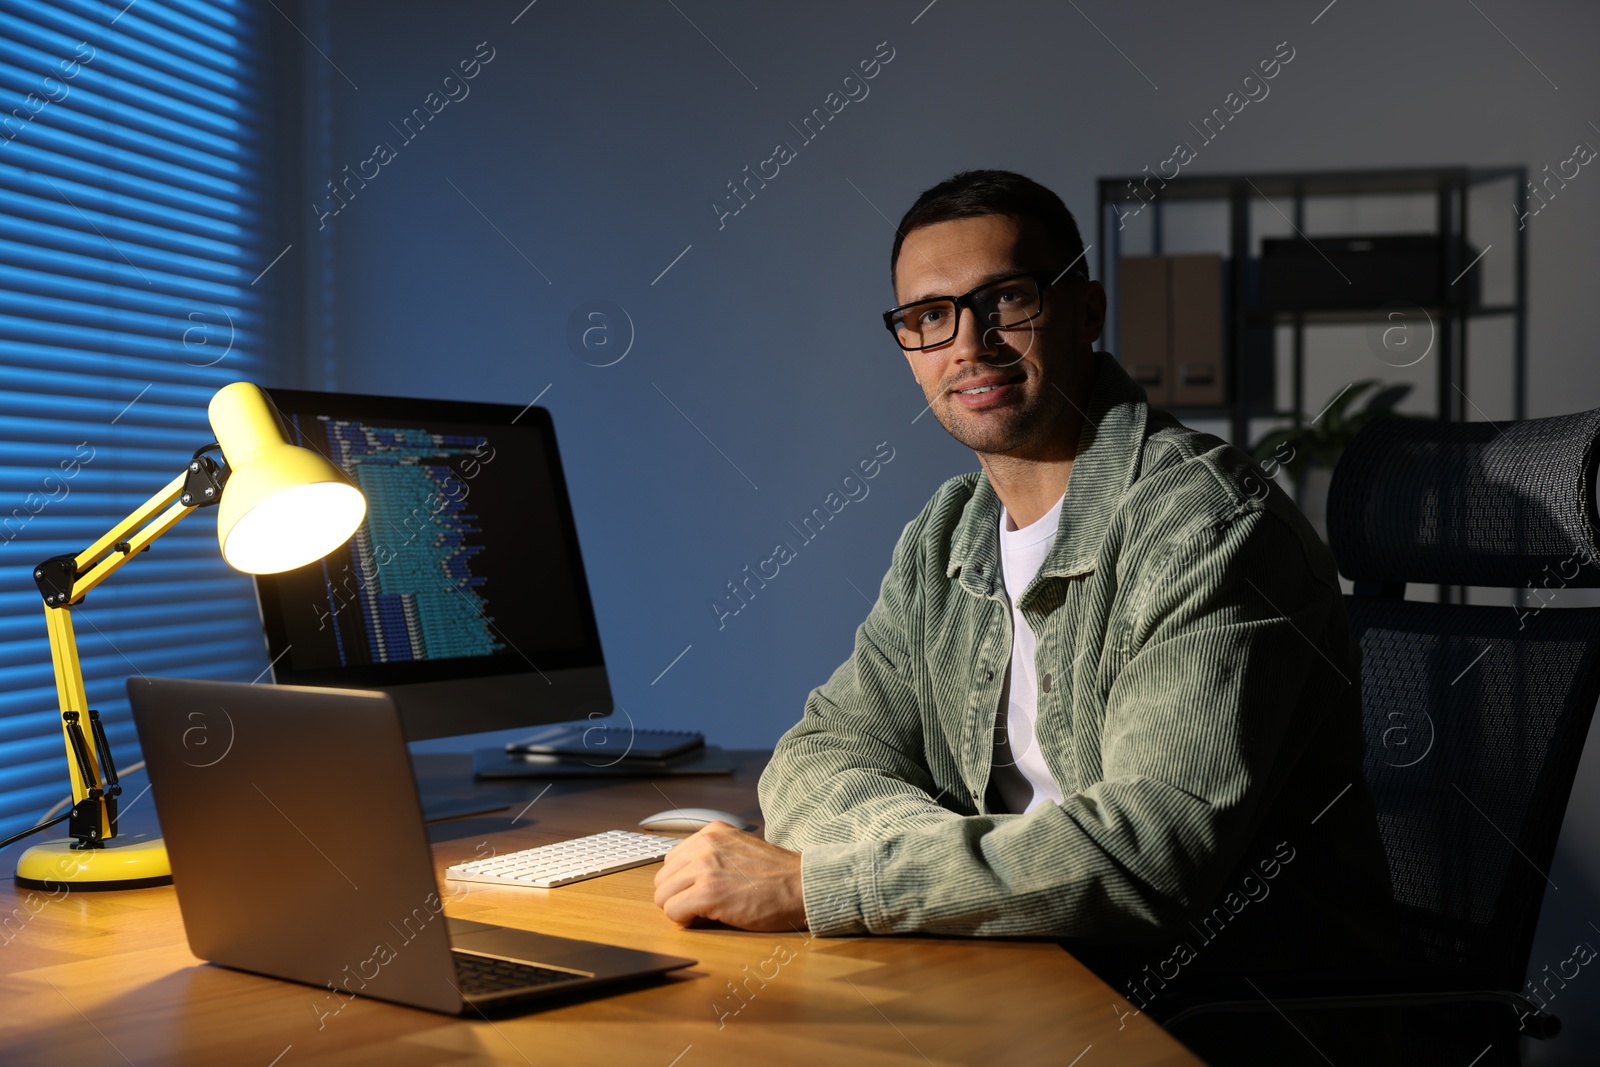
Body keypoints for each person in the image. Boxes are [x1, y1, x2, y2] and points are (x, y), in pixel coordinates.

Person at [653, 169, 1393, 1021]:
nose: (968, 344)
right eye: (930, 317)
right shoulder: (948, 533)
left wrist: (830, 880)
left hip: (1217, 1010)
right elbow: (815, 758)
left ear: (1086, 311)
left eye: (1006, 300)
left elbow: (1142, 862)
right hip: (1023, 973)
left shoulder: (1208, 526)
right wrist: (956, 869)